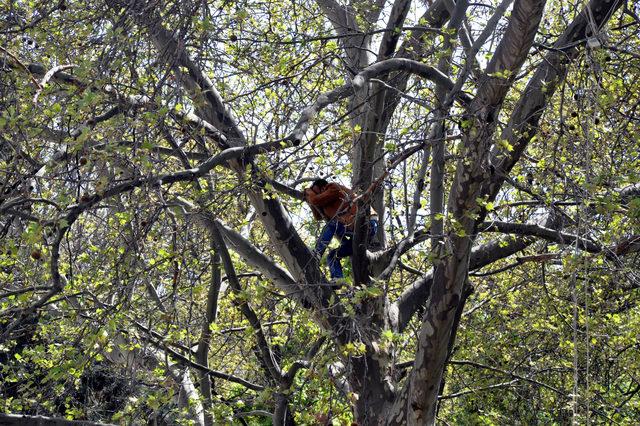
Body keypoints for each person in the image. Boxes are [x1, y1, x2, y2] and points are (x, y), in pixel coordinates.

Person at [304, 179, 378, 279]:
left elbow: (316, 200)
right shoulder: (325, 204)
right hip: (354, 234)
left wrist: (309, 192)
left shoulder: (333, 187)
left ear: (323, 187)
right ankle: (337, 279)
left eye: (315, 190)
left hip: (366, 224)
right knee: (332, 255)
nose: (315, 193)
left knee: (331, 225)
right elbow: (318, 216)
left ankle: (317, 253)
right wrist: (310, 201)